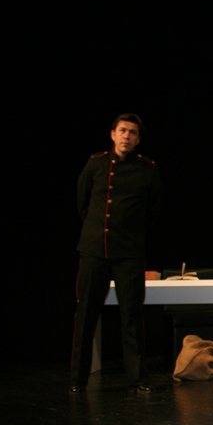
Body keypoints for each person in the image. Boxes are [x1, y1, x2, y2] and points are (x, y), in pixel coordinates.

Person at [70, 113, 163, 394]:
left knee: (131, 315)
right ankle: (77, 380)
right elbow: (82, 201)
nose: (127, 136)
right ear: (113, 134)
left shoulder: (147, 169)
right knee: (86, 314)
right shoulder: (96, 163)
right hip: (95, 248)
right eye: (122, 130)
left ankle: (137, 378)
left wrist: (131, 233)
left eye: (132, 132)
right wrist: (97, 229)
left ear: (138, 139)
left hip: (129, 251)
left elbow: (153, 210)